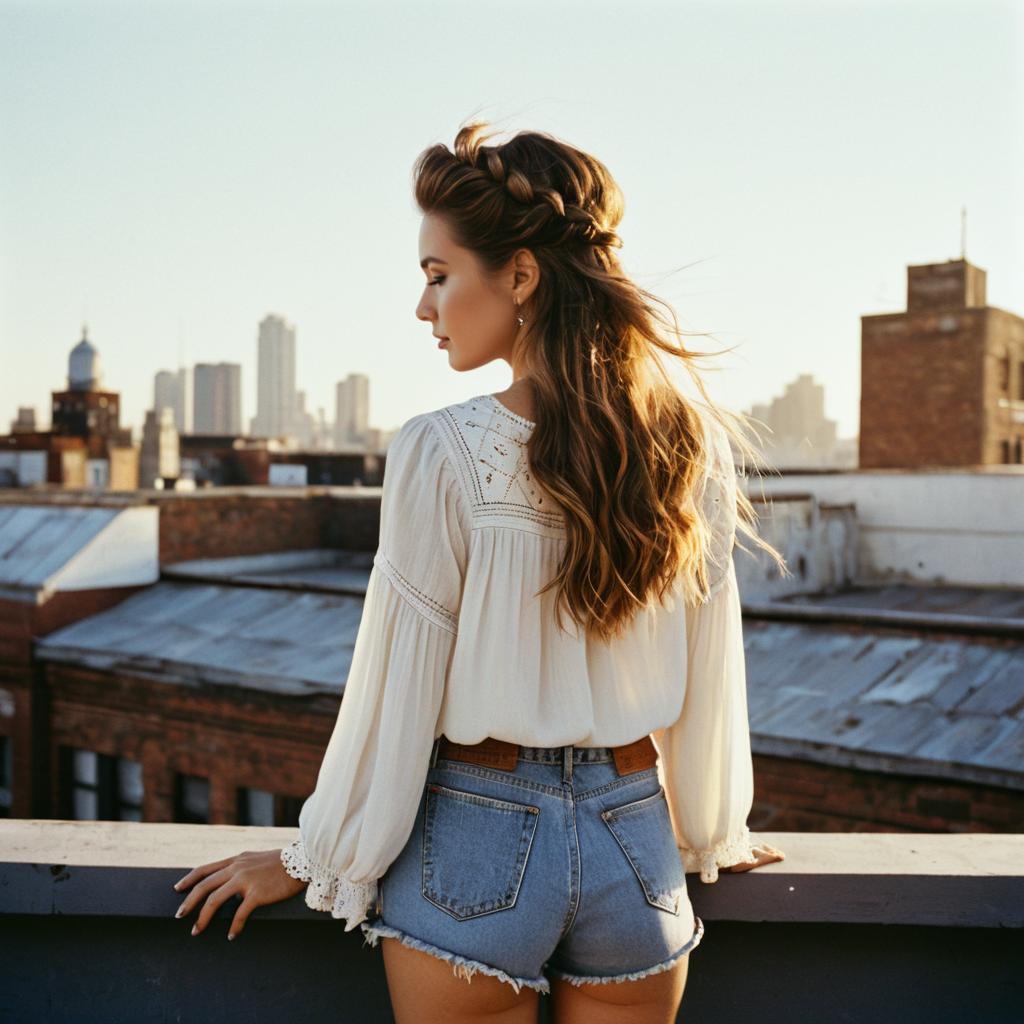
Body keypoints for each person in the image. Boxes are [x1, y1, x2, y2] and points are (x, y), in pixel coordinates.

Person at [171, 120, 787, 1024]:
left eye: (437, 274)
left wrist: (315, 858)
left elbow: (396, 689)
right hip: (637, 847)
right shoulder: (683, 448)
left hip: (476, 838)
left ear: (522, 276)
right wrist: (713, 826)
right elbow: (710, 669)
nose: (424, 307)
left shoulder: (440, 451)